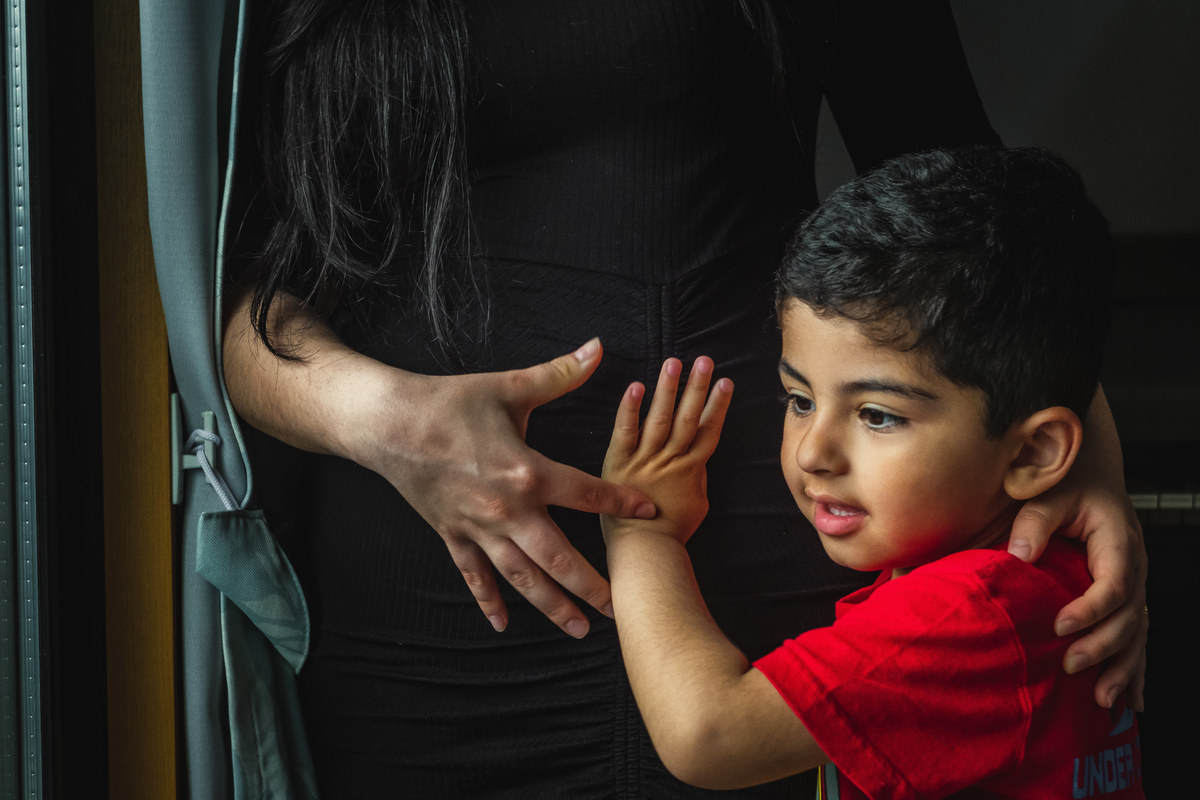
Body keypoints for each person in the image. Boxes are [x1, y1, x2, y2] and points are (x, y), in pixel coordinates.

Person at [224, 2, 1147, 796]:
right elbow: (230, 300)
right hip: (429, 615)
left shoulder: (958, 601)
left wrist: (1090, 480)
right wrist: (383, 419)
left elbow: (981, 225)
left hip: (768, 590)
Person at [599, 146, 1144, 797]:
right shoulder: (1027, 578)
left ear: (1032, 453)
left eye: (878, 416)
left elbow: (708, 737)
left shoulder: (971, 611)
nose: (812, 452)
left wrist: (641, 538)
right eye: (800, 401)